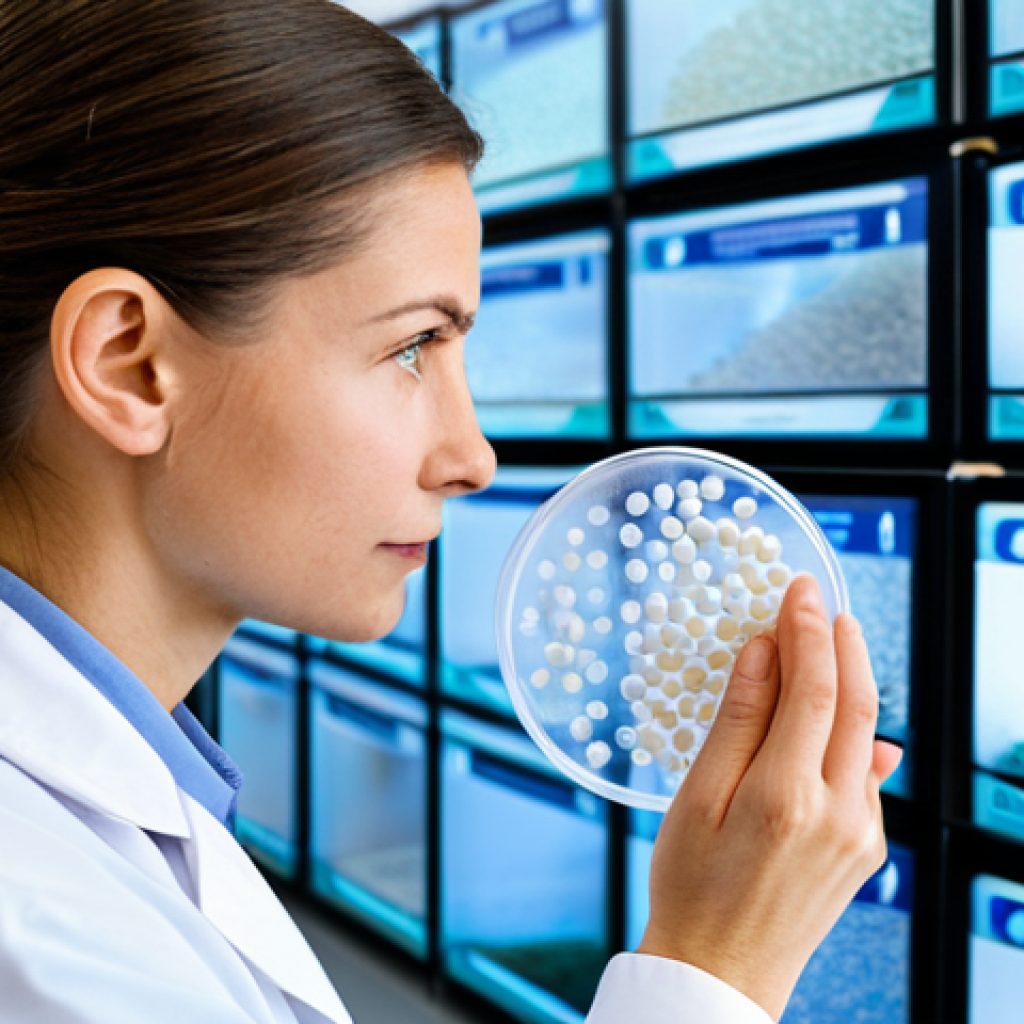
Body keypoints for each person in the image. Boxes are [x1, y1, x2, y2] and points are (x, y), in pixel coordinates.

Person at [0, 2, 902, 1022]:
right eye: (410, 347)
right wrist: (714, 962)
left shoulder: (124, 797)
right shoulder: (47, 939)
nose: (472, 458)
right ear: (129, 363)